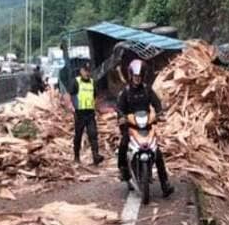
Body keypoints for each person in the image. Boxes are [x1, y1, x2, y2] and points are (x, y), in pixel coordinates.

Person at [116, 59, 174, 197]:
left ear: (143, 76)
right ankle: (123, 169)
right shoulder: (125, 92)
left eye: (140, 76)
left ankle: (165, 184)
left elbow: (157, 103)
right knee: (123, 145)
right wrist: (121, 116)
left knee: (157, 154)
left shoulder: (148, 90)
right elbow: (119, 107)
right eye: (135, 76)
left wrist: (160, 113)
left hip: (146, 125)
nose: (137, 79)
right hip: (130, 125)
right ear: (131, 76)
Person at [68, 59, 104, 165]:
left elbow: (95, 96)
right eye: (85, 71)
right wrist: (71, 107)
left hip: (90, 113)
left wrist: (96, 108)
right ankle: (76, 156)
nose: (87, 73)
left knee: (93, 134)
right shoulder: (76, 82)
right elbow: (69, 95)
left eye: (89, 71)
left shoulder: (92, 82)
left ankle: (96, 156)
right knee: (78, 135)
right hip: (79, 113)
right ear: (81, 71)